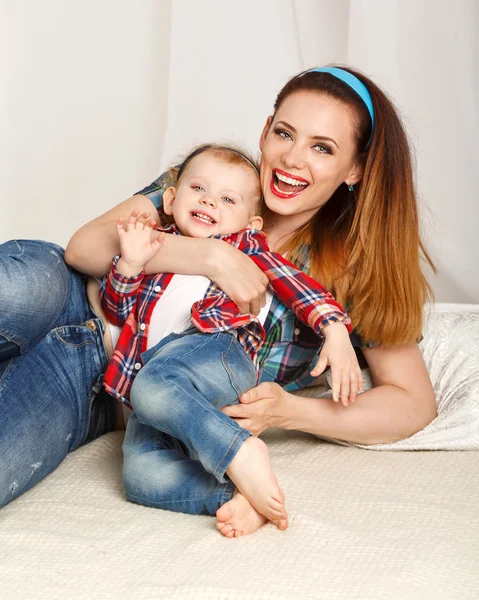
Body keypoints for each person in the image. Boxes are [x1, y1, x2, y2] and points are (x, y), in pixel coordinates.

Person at [0, 66, 437, 535]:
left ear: (355, 168)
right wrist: (211, 256)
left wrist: (292, 412)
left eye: (322, 148)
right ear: (265, 131)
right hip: (66, 299)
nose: (292, 159)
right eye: (285, 134)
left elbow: (413, 403)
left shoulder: (353, 266)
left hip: (94, 386)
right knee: (15, 286)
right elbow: (84, 248)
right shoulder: (213, 179)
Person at [100, 143, 360, 528]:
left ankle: (240, 451)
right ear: (171, 199)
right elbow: (117, 311)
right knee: (140, 475)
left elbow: (295, 284)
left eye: (227, 199)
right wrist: (130, 263)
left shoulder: (245, 247)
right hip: (165, 383)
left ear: (251, 223)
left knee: (151, 384)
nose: (209, 203)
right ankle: (239, 498)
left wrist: (333, 327)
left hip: (217, 353)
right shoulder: (157, 246)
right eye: (198, 190)